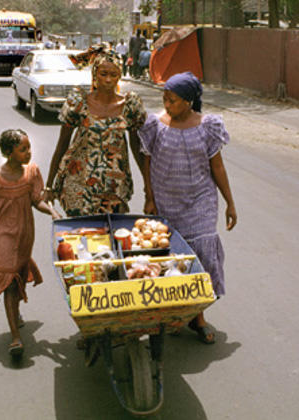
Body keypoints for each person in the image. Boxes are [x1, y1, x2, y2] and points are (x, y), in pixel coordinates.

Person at [138, 72, 237, 344]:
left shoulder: (208, 126)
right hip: (166, 201)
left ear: (189, 102)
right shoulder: (155, 125)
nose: (167, 104)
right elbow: (147, 163)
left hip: (200, 201)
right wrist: (149, 196)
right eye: (165, 99)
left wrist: (230, 202)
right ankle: (172, 311)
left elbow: (216, 166)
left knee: (203, 253)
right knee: (171, 258)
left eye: (173, 100)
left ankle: (198, 317)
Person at [0, 129, 61, 357]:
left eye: (29, 147)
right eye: (23, 149)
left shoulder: (31, 173)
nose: (28, 153)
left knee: (18, 273)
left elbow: (36, 201)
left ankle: (15, 314)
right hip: (1, 234)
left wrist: (52, 211)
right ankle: (15, 338)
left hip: (24, 235)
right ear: (7, 152)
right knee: (9, 278)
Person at [44, 43, 148, 216]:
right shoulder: (79, 102)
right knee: (80, 237)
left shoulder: (130, 105)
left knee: (111, 237)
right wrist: (49, 185)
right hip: (78, 185)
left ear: (119, 76)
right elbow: (62, 144)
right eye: (103, 74)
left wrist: (149, 189)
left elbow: (137, 148)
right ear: (94, 75)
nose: (108, 80)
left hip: (114, 187)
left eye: (113, 75)